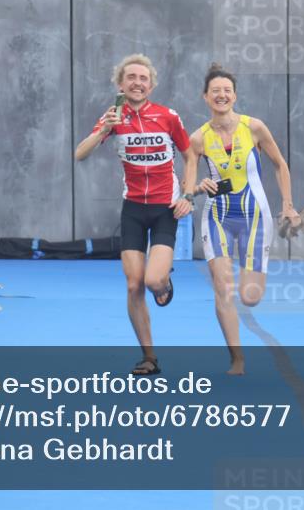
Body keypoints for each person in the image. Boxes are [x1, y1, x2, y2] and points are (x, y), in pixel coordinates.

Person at [75, 54, 194, 375]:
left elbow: (190, 154)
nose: (137, 83)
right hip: (133, 210)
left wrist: (189, 194)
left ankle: (164, 281)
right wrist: (103, 132)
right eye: (131, 77)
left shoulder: (168, 116)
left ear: (151, 85)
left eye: (143, 78)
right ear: (120, 84)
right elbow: (80, 154)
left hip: (164, 208)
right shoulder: (113, 116)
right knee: (132, 285)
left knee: (152, 279)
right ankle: (149, 357)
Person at [188, 64, 301, 375]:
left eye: (227, 91)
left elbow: (280, 165)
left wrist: (288, 207)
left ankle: (245, 282)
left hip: (255, 217)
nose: (221, 95)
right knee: (223, 287)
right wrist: (197, 188)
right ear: (205, 97)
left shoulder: (254, 128)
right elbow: (188, 189)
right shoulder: (197, 139)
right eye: (215, 91)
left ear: (234, 95)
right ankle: (236, 358)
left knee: (250, 297)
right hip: (216, 217)